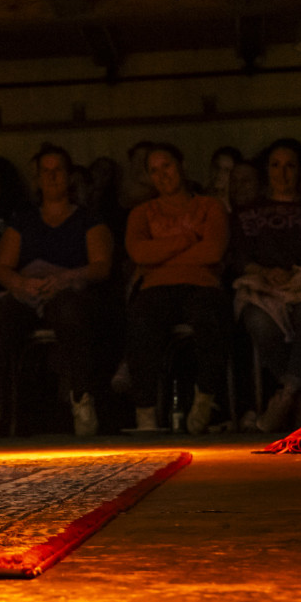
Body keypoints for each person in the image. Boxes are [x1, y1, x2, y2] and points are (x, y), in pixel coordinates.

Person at [0, 144, 116, 438]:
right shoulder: (23, 221)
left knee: (69, 312)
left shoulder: (87, 219)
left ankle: (81, 399)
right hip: (28, 292)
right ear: (37, 179)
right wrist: (21, 284)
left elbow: (102, 265)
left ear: (69, 176)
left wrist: (66, 278)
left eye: (58, 170)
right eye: (45, 172)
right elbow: (2, 268)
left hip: (68, 293)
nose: (52, 177)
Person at [233, 137, 301, 434]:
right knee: (257, 319)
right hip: (265, 288)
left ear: (300, 170)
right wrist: (265, 272)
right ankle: (299, 396)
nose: (282, 173)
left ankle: (285, 396)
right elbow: (239, 256)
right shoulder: (249, 212)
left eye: (290, 166)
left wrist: (298, 273)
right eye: (275, 165)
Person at [122, 143, 232, 434]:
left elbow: (213, 251)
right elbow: (139, 253)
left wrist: (160, 254)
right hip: (156, 287)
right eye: (154, 170)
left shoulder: (210, 207)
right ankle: (145, 412)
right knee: (141, 321)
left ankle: (205, 398)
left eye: (167, 166)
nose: (162, 175)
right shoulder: (141, 213)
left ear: (182, 166)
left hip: (201, 283)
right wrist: (187, 239)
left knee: (209, 317)